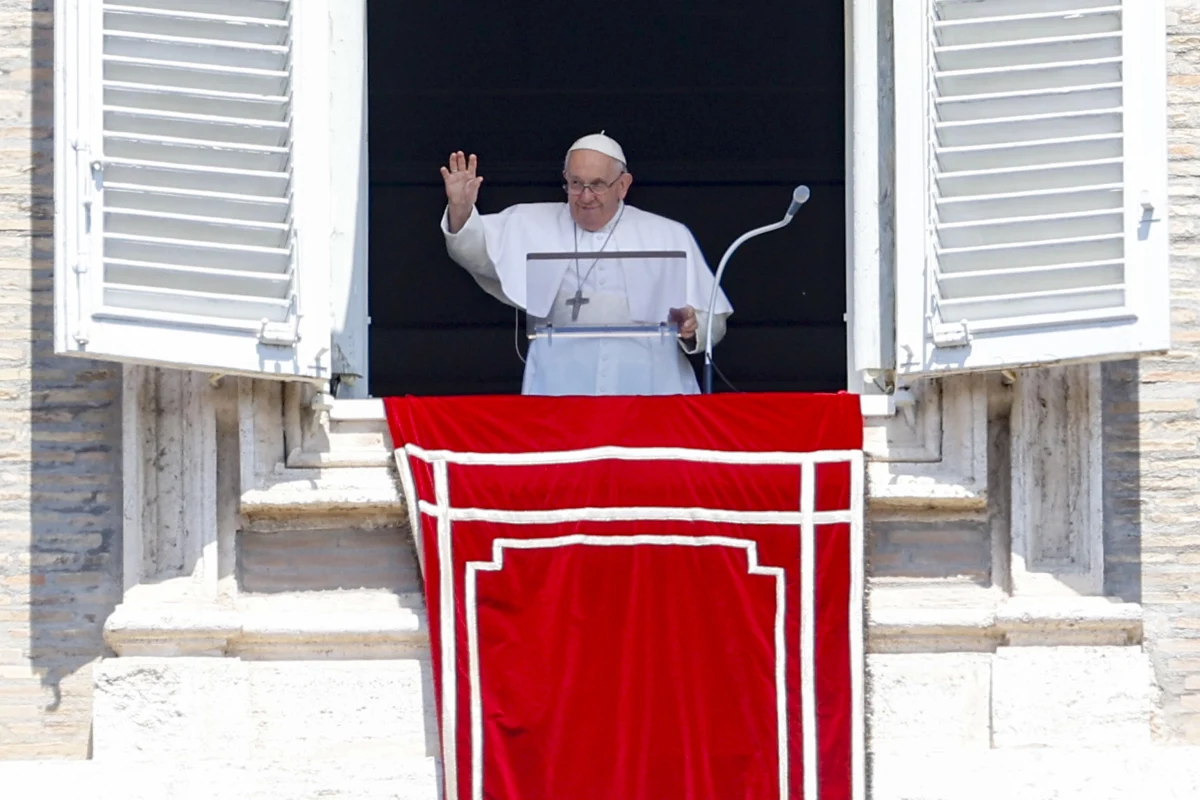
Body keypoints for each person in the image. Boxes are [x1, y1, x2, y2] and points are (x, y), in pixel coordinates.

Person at [439, 132, 733, 396]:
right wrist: (462, 209)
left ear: (623, 185)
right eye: (576, 184)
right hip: (560, 382)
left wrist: (693, 325)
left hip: (650, 384)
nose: (585, 196)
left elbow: (714, 320)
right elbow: (475, 253)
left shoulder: (668, 233)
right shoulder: (529, 221)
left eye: (598, 185)